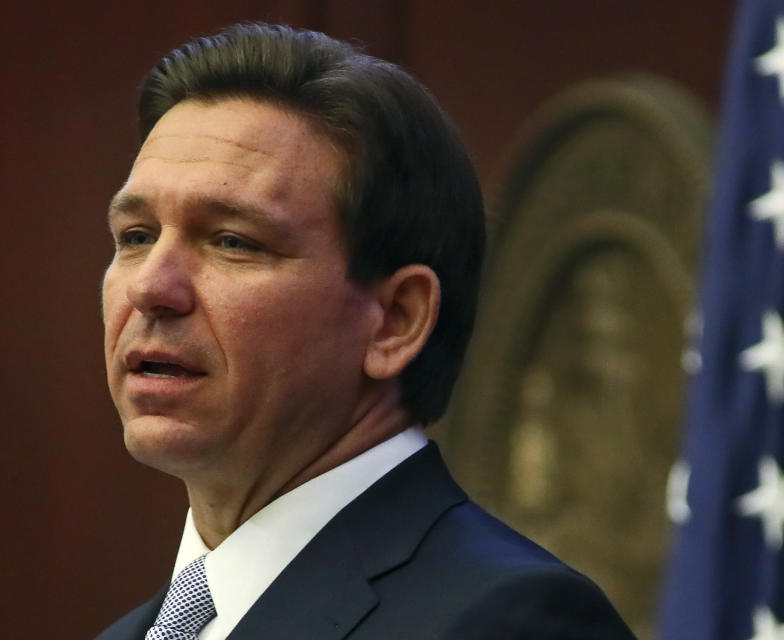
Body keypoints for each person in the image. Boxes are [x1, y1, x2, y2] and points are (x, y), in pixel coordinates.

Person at [95, 23, 635, 640]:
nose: (151, 288)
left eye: (233, 242)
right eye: (136, 236)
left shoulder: (510, 622)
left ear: (395, 321)